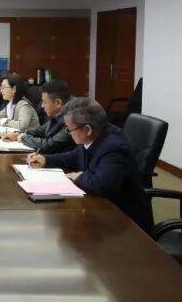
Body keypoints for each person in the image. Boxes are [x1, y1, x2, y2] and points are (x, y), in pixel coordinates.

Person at [26, 97, 152, 232]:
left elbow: (102, 185)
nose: (68, 133)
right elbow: (74, 156)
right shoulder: (96, 135)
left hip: (125, 224)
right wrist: (46, 160)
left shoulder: (115, 147)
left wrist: (78, 176)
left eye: (69, 129)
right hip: (102, 212)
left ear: (87, 129)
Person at [1, 79, 75, 154]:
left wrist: (22, 138)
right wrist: (17, 134)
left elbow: (48, 145)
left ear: (58, 103)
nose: (42, 106)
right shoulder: (57, 116)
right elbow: (38, 131)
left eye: (45, 102)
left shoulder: (72, 121)